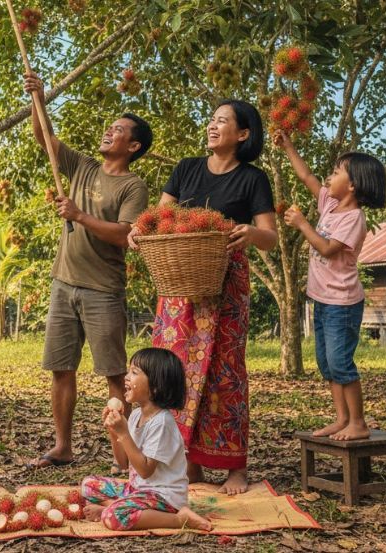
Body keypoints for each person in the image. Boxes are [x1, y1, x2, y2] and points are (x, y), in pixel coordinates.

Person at [128, 100, 277, 495]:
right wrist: (139, 232)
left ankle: (234, 466)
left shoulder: (252, 179)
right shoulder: (186, 168)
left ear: (242, 134)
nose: (213, 126)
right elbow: (158, 219)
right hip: (179, 283)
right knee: (174, 373)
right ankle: (187, 463)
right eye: (211, 120)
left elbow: (271, 236)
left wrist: (250, 232)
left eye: (222, 121)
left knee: (225, 375)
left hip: (227, 285)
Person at [23, 72, 152, 470]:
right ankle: (62, 447)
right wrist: (38, 100)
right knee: (61, 369)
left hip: (103, 290)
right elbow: (43, 137)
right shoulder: (81, 165)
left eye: (118, 130)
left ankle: (123, 457)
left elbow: (125, 234)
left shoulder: (133, 186)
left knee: (114, 375)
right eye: (109, 127)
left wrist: (79, 215)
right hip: (64, 284)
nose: (108, 133)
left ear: (132, 146)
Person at [274, 130, 386, 441]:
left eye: (337, 172)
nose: (329, 175)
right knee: (327, 364)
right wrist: (289, 146)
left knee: (341, 362)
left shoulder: (353, 218)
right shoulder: (330, 205)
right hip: (322, 299)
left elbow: (326, 249)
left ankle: (358, 422)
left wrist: (302, 224)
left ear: (352, 185)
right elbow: (306, 175)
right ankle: (341, 419)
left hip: (343, 303)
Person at [81, 348, 212, 531]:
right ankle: (115, 506)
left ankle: (179, 519)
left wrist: (124, 433)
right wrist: (114, 431)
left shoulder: (162, 423)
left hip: (164, 497)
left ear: (155, 387)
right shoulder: (135, 416)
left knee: (113, 518)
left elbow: (145, 471)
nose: (126, 377)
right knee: (88, 485)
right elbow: (123, 462)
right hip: (139, 490)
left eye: (134, 373)